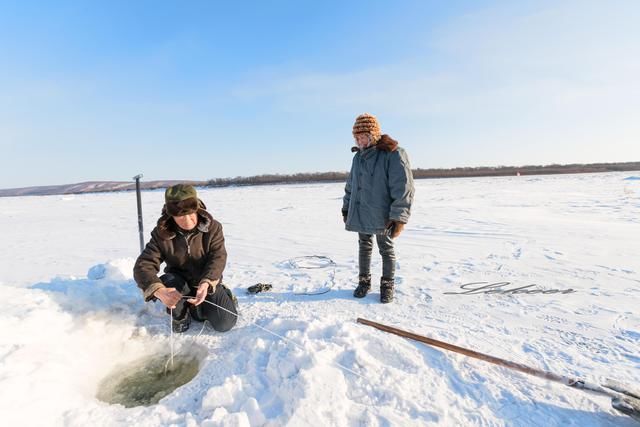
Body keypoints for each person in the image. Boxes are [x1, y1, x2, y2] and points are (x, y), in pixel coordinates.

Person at [133, 184, 237, 333]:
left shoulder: (213, 227)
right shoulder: (161, 233)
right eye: (180, 216)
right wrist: (159, 291)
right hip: (179, 283)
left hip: (205, 282)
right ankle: (181, 315)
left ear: (197, 209)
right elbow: (143, 266)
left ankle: (222, 297)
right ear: (171, 215)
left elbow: (218, 256)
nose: (187, 221)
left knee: (224, 324)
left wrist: (207, 282)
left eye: (191, 214)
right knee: (168, 281)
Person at [342, 113, 415, 303]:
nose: (360, 141)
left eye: (363, 137)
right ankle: (364, 282)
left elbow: (403, 187)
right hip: (360, 211)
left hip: (383, 214)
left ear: (373, 135)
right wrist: (346, 208)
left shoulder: (393, 154)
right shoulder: (357, 158)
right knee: (364, 246)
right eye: (357, 138)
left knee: (386, 248)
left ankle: (387, 285)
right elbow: (351, 185)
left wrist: (399, 217)